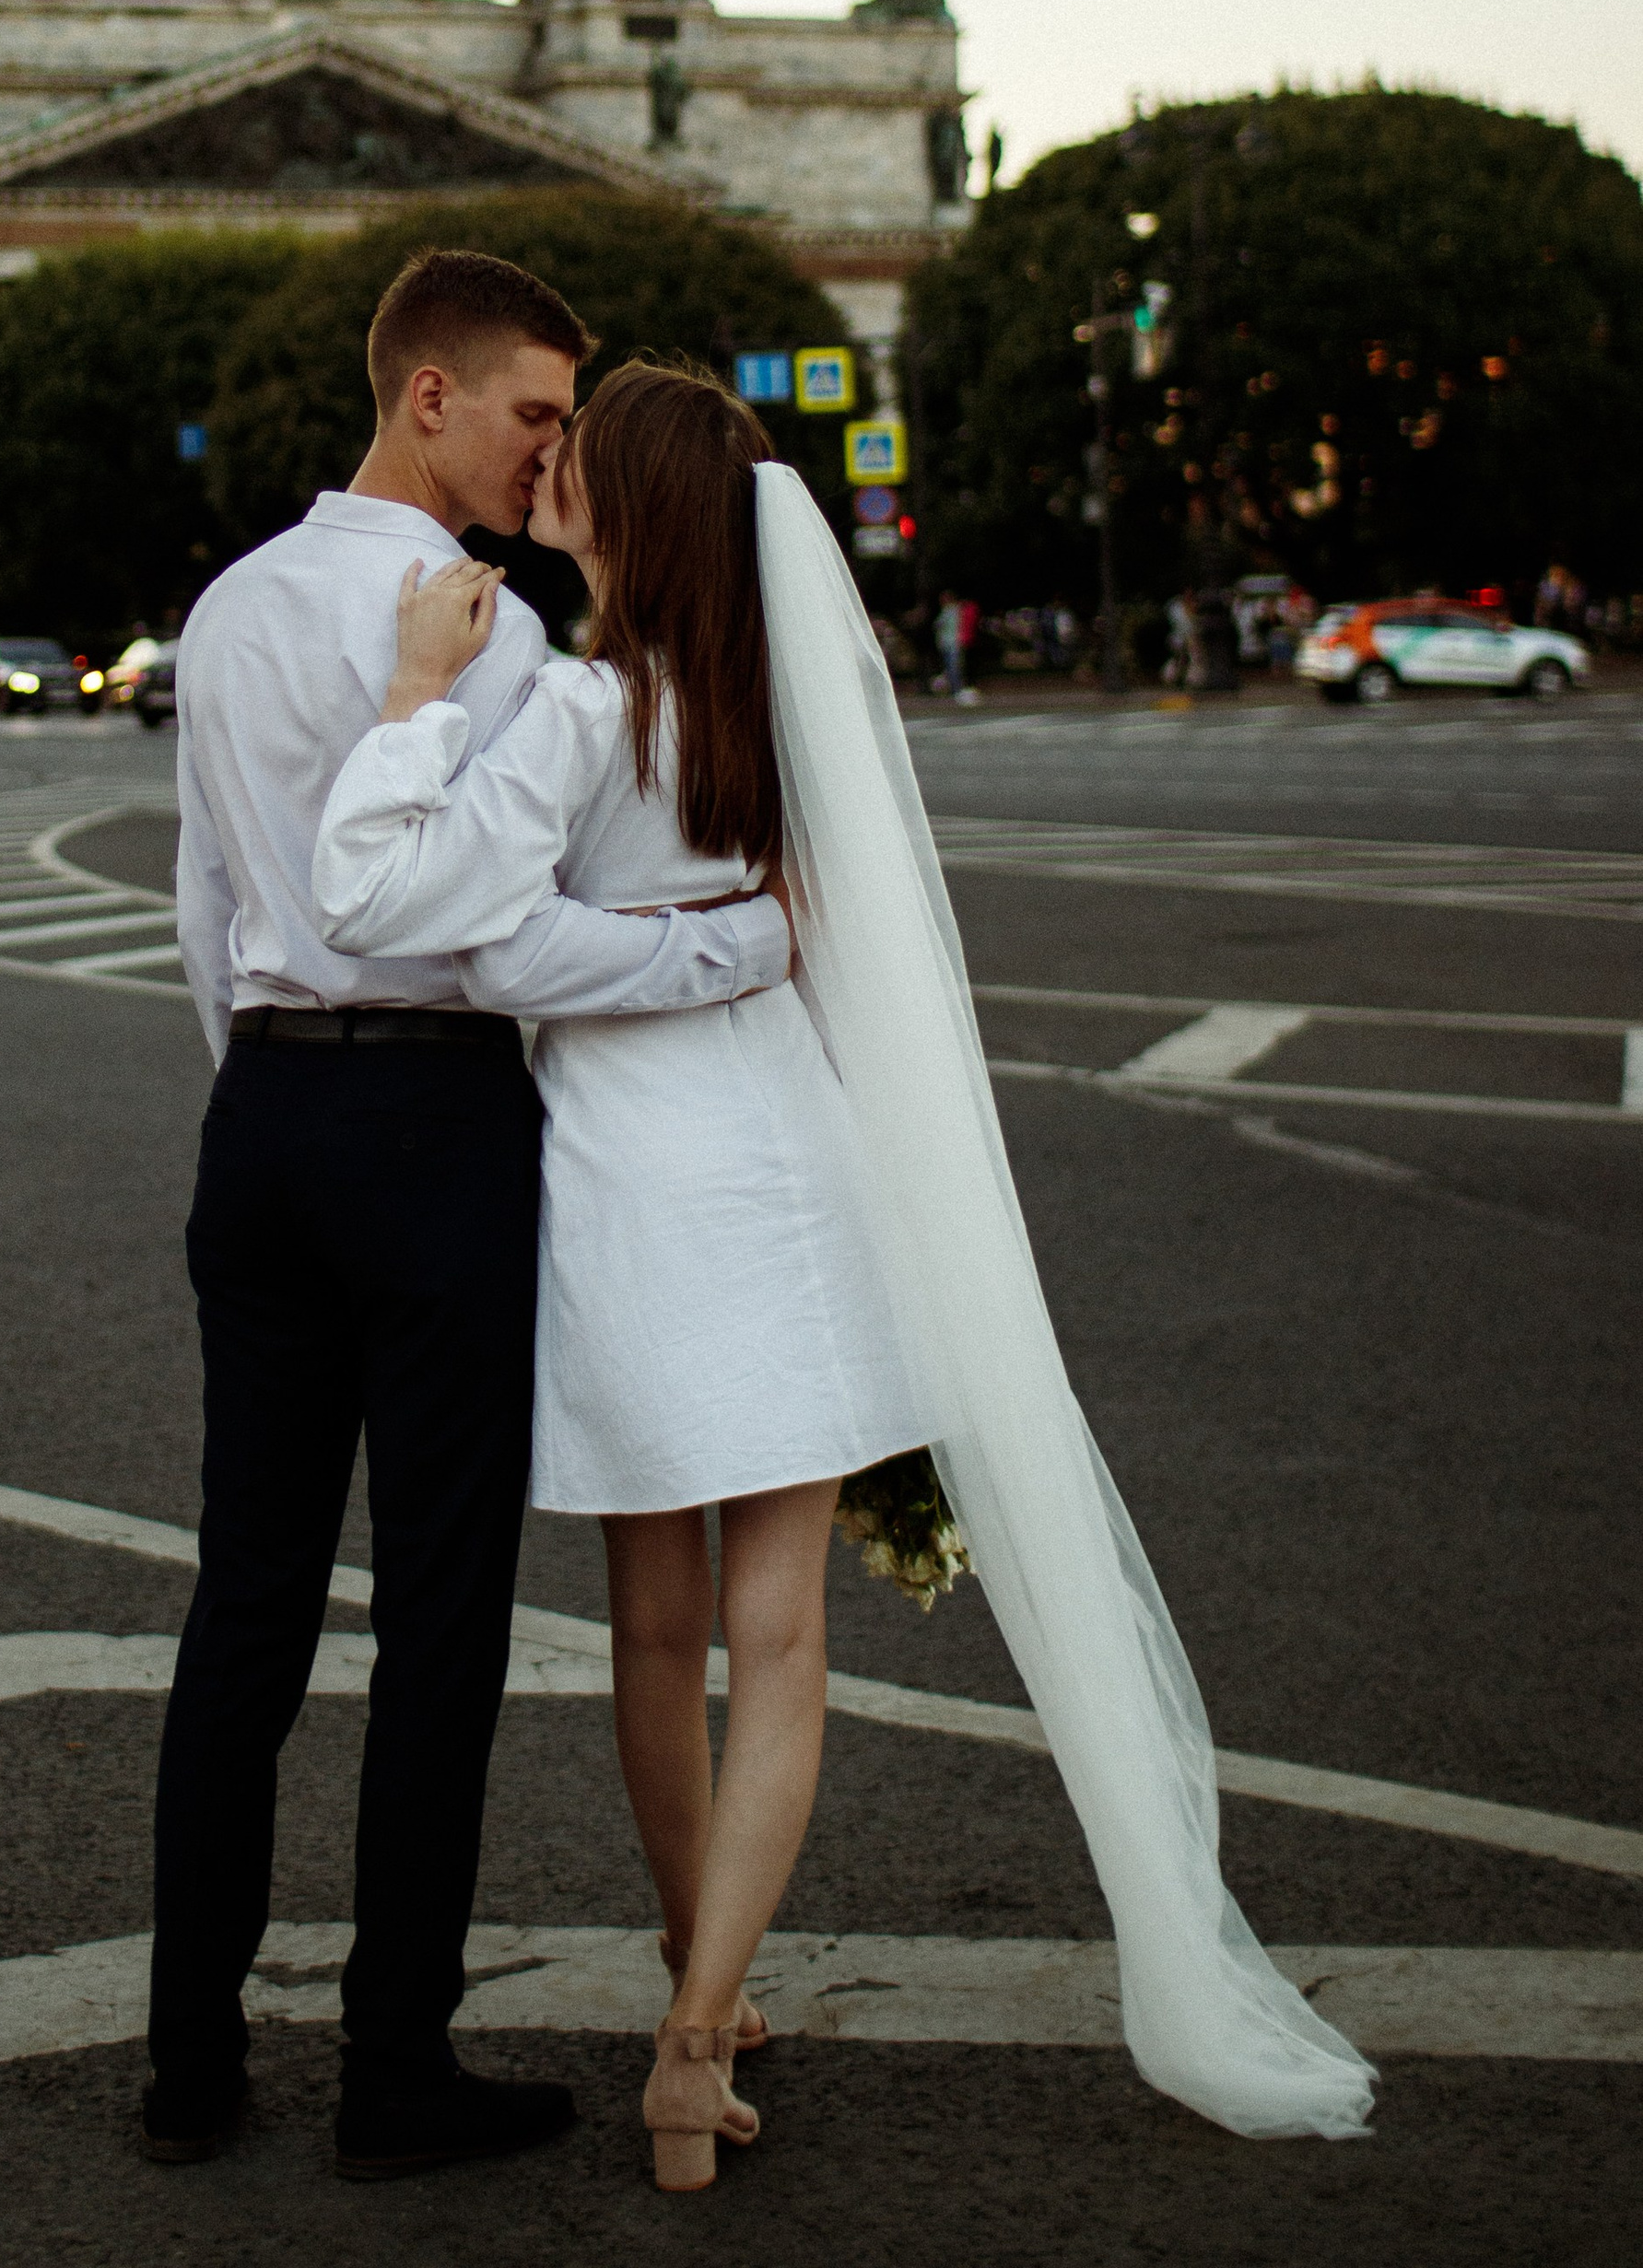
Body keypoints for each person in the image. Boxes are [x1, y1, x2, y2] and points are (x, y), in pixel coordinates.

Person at [314, 360, 1374, 2193]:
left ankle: (691, 1979)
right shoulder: (783, 712)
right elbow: (819, 953)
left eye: (577, 457)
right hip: (786, 1178)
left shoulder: (576, 709)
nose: (546, 469)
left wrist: (425, 711)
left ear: (629, 510)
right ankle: (697, 2025)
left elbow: (424, 917)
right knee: (780, 1638)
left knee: (651, 1630)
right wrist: (710, 943)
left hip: (627, 1191)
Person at [151, 255, 790, 2183]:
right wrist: (727, 946)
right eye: (530, 413)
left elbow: (204, 905)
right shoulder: (498, 641)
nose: (550, 453)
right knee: (441, 1613)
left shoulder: (229, 603)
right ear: (425, 395)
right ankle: (389, 2070)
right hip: (431, 1126)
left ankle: (188, 2061)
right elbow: (497, 927)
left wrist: (270, 1079)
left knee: (243, 1603)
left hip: (260, 1112)